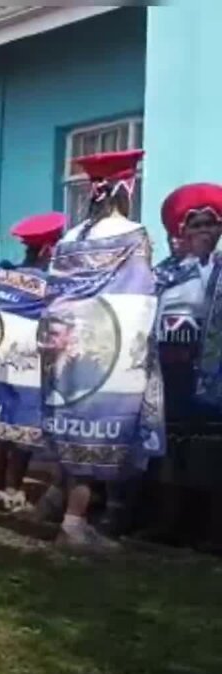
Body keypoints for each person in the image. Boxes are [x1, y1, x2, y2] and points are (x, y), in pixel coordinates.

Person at [40, 149, 162, 551]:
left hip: (64, 351)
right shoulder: (133, 234)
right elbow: (140, 294)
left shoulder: (68, 240)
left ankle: (61, 507)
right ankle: (73, 526)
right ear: (127, 189)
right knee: (99, 435)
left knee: (72, 426)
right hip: (105, 350)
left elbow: (55, 294)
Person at [0, 212, 65, 512]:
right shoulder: (49, 284)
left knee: (4, 423)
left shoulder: (2, 277)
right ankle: (12, 489)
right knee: (25, 426)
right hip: (30, 365)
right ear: (49, 250)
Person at [145, 183, 222, 549]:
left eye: (212, 224)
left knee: (212, 450)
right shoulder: (166, 275)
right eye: (197, 225)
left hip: (216, 375)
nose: (205, 231)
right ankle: (169, 524)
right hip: (172, 372)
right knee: (172, 448)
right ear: (183, 232)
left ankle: (212, 531)